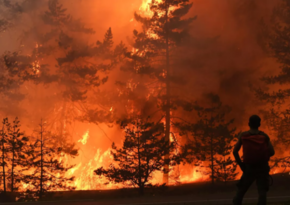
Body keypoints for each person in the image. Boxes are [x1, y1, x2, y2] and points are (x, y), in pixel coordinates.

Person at [232, 115, 275, 205]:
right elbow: (272, 152)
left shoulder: (243, 135)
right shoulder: (264, 136)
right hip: (262, 167)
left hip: (249, 168)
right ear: (259, 124)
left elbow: (235, 151)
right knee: (262, 192)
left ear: (249, 124)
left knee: (241, 190)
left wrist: (241, 165)